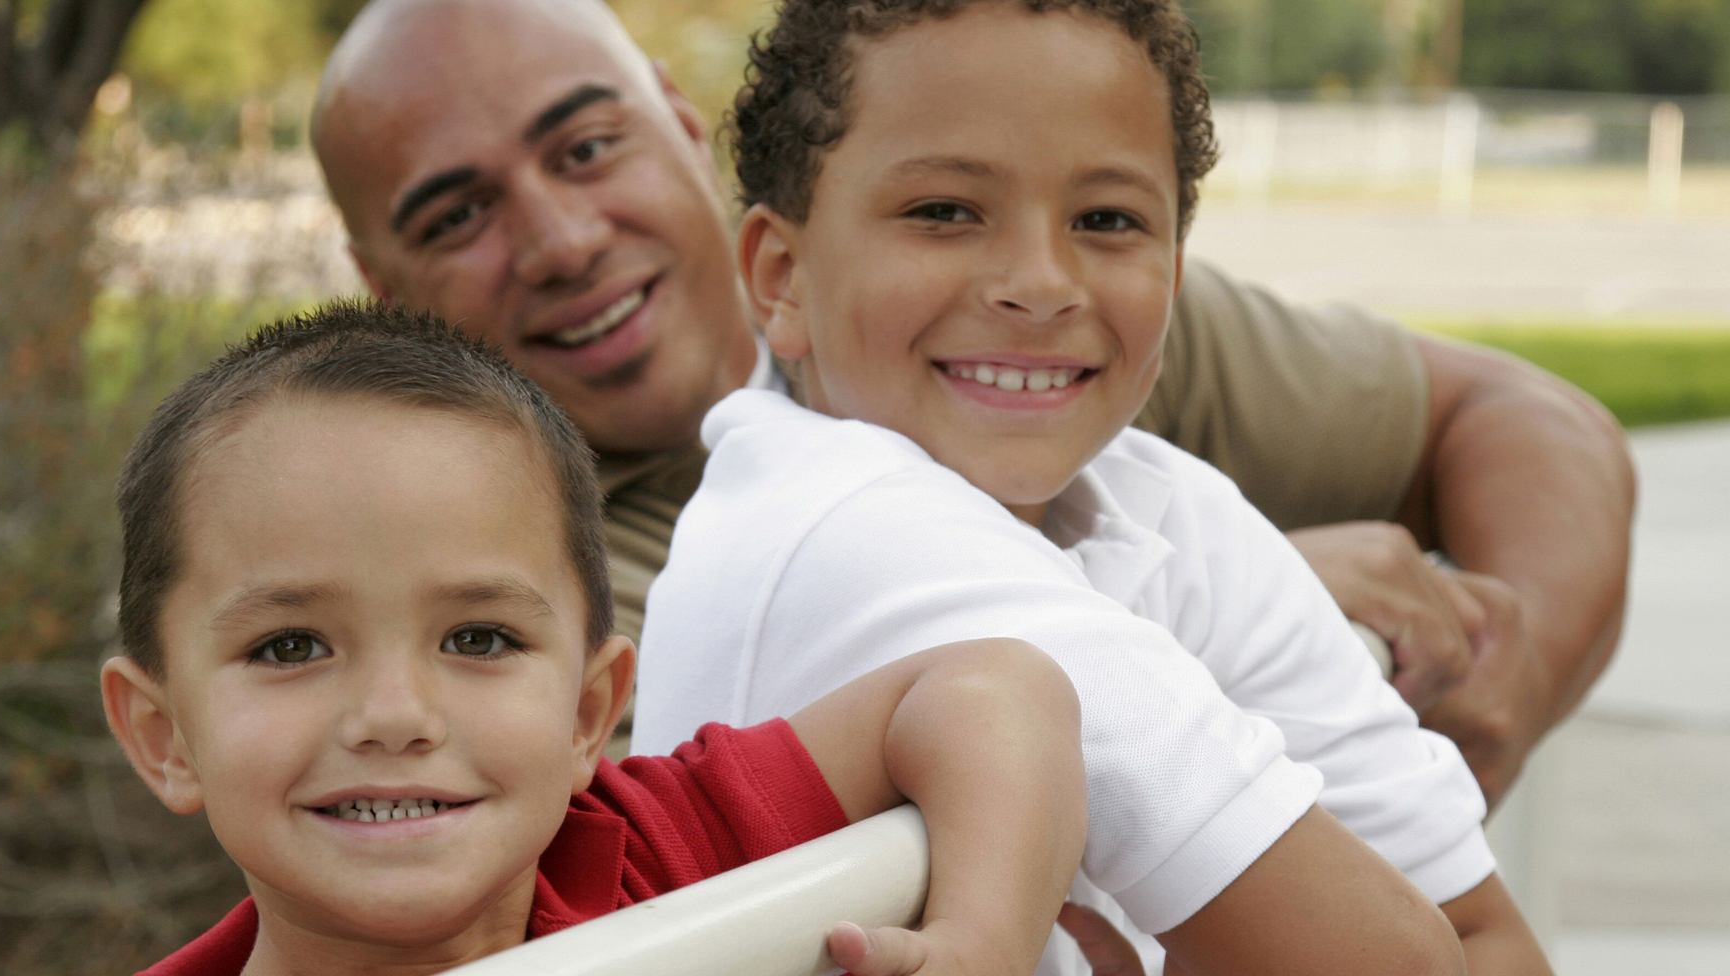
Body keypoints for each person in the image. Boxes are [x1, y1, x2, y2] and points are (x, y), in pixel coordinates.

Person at [309, 0, 1633, 806]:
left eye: (586, 144)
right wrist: (1247, 603)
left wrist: (1504, 672)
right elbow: (890, 756)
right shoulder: (483, 569)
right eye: (458, 213)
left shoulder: (1024, 311)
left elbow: (1527, 421)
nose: (558, 238)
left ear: (674, 114)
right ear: (379, 287)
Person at [631, 2, 1549, 974]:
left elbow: (1487, 940)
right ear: (781, 277)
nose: (1040, 282)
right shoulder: (844, 526)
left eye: (1106, 219)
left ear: (1176, 268)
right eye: (944, 210)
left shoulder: (1162, 506)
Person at [98, 302, 1100, 976]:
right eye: (290, 647)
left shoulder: (656, 858)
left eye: (479, 638)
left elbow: (997, 691)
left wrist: (986, 940)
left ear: (588, 711)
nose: (394, 716)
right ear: (163, 733)